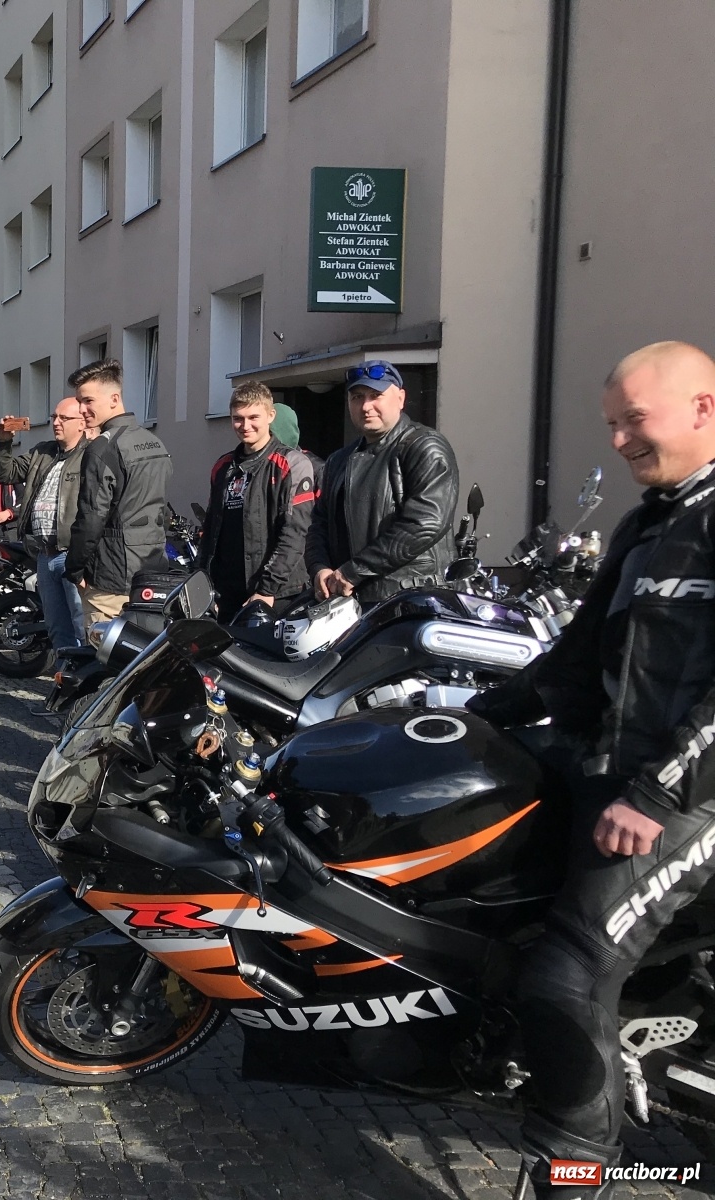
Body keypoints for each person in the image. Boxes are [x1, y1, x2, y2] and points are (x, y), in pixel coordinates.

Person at [465, 342, 715, 1199]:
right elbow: (581, 650)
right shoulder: (652, 519)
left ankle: (573, 1171)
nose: (618, 441)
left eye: (633, 420)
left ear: (703, 408)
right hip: (607, 764)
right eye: (611, 424)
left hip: (687, 796)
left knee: (568, 970)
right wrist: (490, 714)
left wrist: (657, 793)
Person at [305, 360, 459, 604]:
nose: (366, 406)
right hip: (350, 603)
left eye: (376, 395)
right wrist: (319, 568)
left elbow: (425, 524)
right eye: (357, 397)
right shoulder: (338, 460)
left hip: (411, 601)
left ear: (400, 398)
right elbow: (319, 524)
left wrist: (353, 572)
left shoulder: (424, 447)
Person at [64, 359, 173, 632]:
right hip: (153, 569)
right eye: (79, 401)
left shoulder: (102, 448)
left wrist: (75, 569)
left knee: (106, 660)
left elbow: (90, 519)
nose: (81, 409)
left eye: (87, 400)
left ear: (114, 398)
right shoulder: (155, 442)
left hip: (111, 578)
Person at [199, 382, 318, 620]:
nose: (245, 426)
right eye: (238, 418)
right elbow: (211, 530)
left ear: (270, 415)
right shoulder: (223, 467)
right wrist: (203, 584)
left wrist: (266, 589)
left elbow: (295, 533)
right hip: (226, 594)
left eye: (253, 417)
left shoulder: (292, 464)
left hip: (278, 595)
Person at [0, 398, 88, 659]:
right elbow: (4, 474)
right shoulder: (43, 452)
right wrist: (3, 441)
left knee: (82, 624)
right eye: (54, 416)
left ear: (82, 422)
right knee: (58, 626)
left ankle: (86, 686)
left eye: (63, 418)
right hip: (45, 554)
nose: (55, 422)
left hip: (72, 554)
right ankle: (64, 681)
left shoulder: (91, 455)